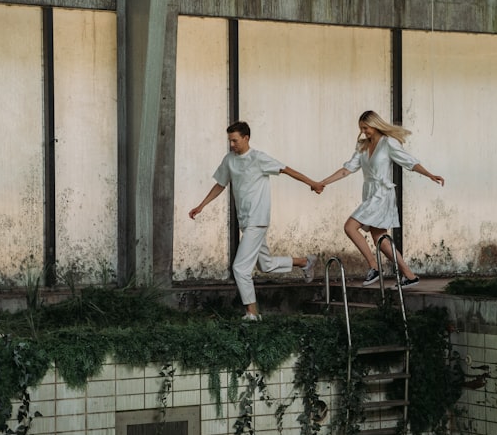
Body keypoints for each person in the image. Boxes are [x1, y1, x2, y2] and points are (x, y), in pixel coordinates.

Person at [189, 121, 324, 321]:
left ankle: (252, 314)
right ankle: (305, 261)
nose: (232, 144)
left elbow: (287, 170)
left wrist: (312, 183)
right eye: (230, 141)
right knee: (265, 265)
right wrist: (202, 205)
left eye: (235, 140)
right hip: (245, 220)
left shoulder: (259, 158)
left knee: (240, 268)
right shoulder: (229, 160)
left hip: (257, 218)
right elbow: (220, 184)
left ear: (246, 138)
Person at [319, 110, 444, 287]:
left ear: (375, 125)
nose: (363, 132)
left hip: (382, 194)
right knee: (380, 239)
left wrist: (430, 175)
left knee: (350, 227)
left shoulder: (388, 143)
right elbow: (347, 169)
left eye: (366, 128)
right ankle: (409, 275)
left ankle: (374, 266)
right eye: (361, 129)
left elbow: (409, 161)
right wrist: (323, 182)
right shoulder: (362, 146)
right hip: (369, 193)